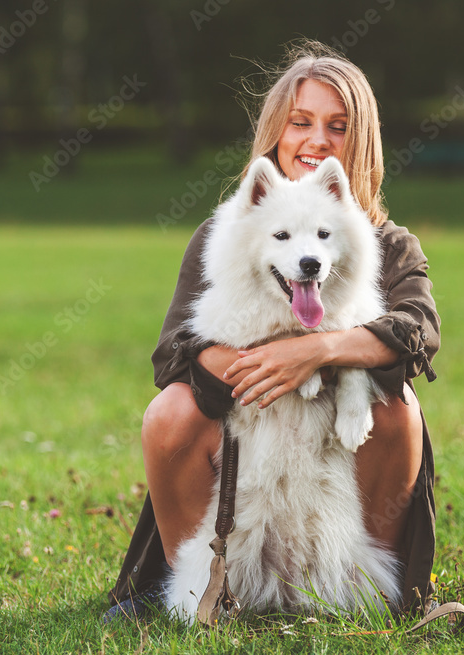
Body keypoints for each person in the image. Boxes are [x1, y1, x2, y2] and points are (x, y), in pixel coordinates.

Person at [105, 40, 440, 622]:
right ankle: (204, 590)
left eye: (337, 125)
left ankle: (375, 591)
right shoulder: (228, 232)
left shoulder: (390, 244)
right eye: (301, 122)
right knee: (170, 410)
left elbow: (417, 333)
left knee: (400, 409)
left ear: (359, 139)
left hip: (342, 453)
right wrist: (257, 364)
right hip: (243, 450)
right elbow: (174, 353)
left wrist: (314, 351)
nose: (317, 139)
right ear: (275, 133)